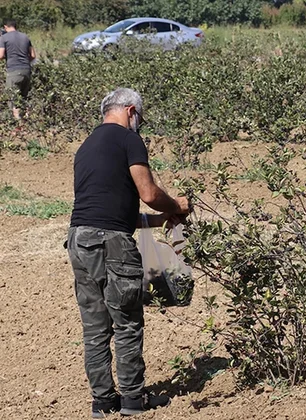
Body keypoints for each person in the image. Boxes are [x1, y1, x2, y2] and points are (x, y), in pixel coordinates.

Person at [66, 88, 191, 418]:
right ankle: (133, 401)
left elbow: (111, 211)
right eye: (140, 118)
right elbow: (148, 192)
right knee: (127, 322)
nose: (139, 125)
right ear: (131, 111)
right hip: (111, 242)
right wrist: (176, 206)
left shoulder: (85, 147)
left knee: (95, 328)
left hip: (78, 240)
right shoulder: (128, 139)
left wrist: (159, 220)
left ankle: (102, 403)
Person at [0, 19, 35, 120]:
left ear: (6, 27)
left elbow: (1, 55)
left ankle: (16, 123)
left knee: (11, 98)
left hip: (13, 71)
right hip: (27, 70)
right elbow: (33, 55)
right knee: (23, 97)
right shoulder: (25, 37)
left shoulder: (4, 38)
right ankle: (26, 121)